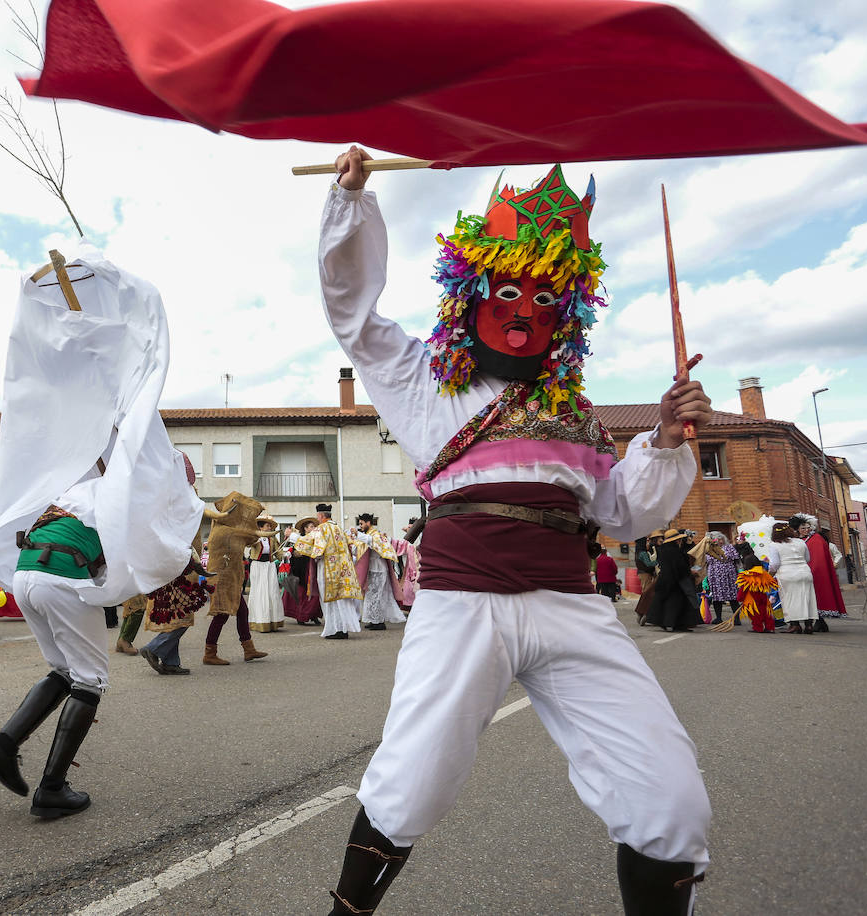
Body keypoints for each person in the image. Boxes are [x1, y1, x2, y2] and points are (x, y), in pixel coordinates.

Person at [318, 147, 712, 915]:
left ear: (567, 314)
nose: (524, 310)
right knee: (409, 787)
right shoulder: (427, 376)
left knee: (672, 808)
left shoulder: (575, 411)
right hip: (463, 604)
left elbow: (621, 513)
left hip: (572, 607)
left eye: (545, 298)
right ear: (473, 291)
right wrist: (352, 203)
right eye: (507, 290)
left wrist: (664, 440)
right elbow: (354, 316)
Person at [0, 246, 204, 821]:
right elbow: (146, 525)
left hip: (26, 573)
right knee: (92, 679)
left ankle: (3, 746)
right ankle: (51, 788)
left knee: (63, 669)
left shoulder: (78, 485)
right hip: (54, 579)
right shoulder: (115, 492)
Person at [201, 492, 271, 664]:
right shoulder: (226, 531)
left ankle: (249, 649)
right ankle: (210, 653)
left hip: (227, 580)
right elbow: (249, 537)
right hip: (222, 580)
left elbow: (248, 538)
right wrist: (256, 532)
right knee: (222, 615)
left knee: (241, 611)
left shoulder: (222, 528)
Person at [138, 546, 214, 676]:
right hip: (175, 584)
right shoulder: (171, 535)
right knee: (181, 622)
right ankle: (153, 648)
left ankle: (170, 663)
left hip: (172, 582)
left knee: (174, 623)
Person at [293, 504, 363, 640]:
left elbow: (312, 547)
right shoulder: (338, 528)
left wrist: (293, 537)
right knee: (340, 601)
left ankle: (336, 629)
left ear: (320, 516)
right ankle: (341, 629)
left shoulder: (321, 529)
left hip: (327, 569)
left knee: (330, 601)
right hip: (342, 570)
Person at [353, 513, 405, 630]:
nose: (360, 526)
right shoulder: (368, 534)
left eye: (361, 523)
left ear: (368, 523)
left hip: (379, 569)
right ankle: (374, 620)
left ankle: (379, 622)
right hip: (372, 569)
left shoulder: (376, 534)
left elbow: (373, 542)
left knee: (377, 595)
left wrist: (358, 535)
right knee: (371, 595)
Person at [766, 521, 818, 634]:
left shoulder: (774, 545)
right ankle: (809, 625)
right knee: (807, 598)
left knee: (790, 600)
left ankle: (795, 625)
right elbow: (807, 558)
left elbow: (775, 564)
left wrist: (769, 574)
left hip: (787, 574)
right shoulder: (800, 542)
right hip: (805, 572)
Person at [795, 517, 847, 629]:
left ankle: (819, 621)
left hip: (816, 571)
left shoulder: (816, 539)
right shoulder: (797, 541)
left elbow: (818, 557)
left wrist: (814, 569)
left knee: (817, 595)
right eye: (803, 528)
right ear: (797, 529)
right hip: (802, 572)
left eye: (808, 527)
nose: (806, 530)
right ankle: (818, 622)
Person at [647, 529, 700, 631]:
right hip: (676, 582)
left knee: (665, 603)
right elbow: (679, 567)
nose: (680, 541)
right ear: (675, 541)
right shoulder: (675, 551)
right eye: (679, 540)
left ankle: (664, 622)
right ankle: (678, 624)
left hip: (665, 580)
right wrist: (690, 572)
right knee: (677, 604)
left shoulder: (663, 550)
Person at [246, 514, 286, 633]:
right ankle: (258, 621)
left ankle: (272, 622)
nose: (269, 528)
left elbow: (277, 552)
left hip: (269, 566)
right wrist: (255, 538)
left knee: (272, 592)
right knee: (259, 593)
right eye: (267, 526)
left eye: (270, 526)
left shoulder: (273, 538)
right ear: (261, 527)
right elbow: (248, 544)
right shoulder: (254, 537)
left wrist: (285, 555)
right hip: (257, 566)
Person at [282, 517, 323, 625]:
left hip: (313, 567)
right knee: (302, 593)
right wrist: (296, 554)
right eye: (311, 526)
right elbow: (292, 552)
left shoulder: (315, 539)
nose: (313, 528)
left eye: (314, 526)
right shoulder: (299, 539)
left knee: (315, 593)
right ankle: (301, 615)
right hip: (302, 569)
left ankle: (313, 615)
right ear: (305, 528)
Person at [734, 545, 777, 634]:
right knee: (765, 612)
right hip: (763, 596)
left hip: (752, 598)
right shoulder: (764, 573)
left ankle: (758, 627)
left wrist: (740, 598)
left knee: (755, 614)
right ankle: (770, 627)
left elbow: (744, 588)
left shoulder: (747, 575)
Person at [701, 532, 741, 624]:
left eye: (721, 539)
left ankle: (737, 618)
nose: (720, 541)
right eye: (717, 539)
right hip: (715, 577)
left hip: (729, 577)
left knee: (733, 597)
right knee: (716, 597)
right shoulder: (709, 549)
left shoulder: (729, 547)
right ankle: (718, 618)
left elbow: (736, 558)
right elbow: (705, 561)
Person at [632, 531, 662, 626]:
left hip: (643, 573)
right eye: (645, 541)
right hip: (645, 574)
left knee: (646, 592)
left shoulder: (638, 551)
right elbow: (649, 564)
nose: (647, 543)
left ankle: (642, 612)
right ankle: (644, 611)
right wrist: (657, 562)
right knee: (648, 593)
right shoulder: (643, 553)